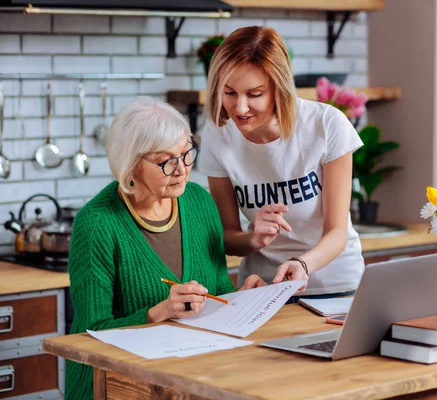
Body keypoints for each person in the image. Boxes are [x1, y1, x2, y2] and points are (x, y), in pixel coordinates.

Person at [65, 96, 265, 400]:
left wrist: (242, 299)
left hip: (188, 376)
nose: (182, 169)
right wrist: (159, 312)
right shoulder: (97, 224)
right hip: (113, 386)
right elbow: (91, 333)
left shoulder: (199, 202)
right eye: (166, 160)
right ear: (131, 164)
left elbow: (218, 288)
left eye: (186, 154)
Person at [198, 26, 365, 301]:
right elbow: (227, 236)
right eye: (229, 93)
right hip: (262, 290)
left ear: (279, 88)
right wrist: (254, 239)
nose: (240, 108)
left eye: (254, 94)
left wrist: (302, 264)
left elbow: (337, 232)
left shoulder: (326, 125)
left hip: (335, 287)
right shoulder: (218, 137)